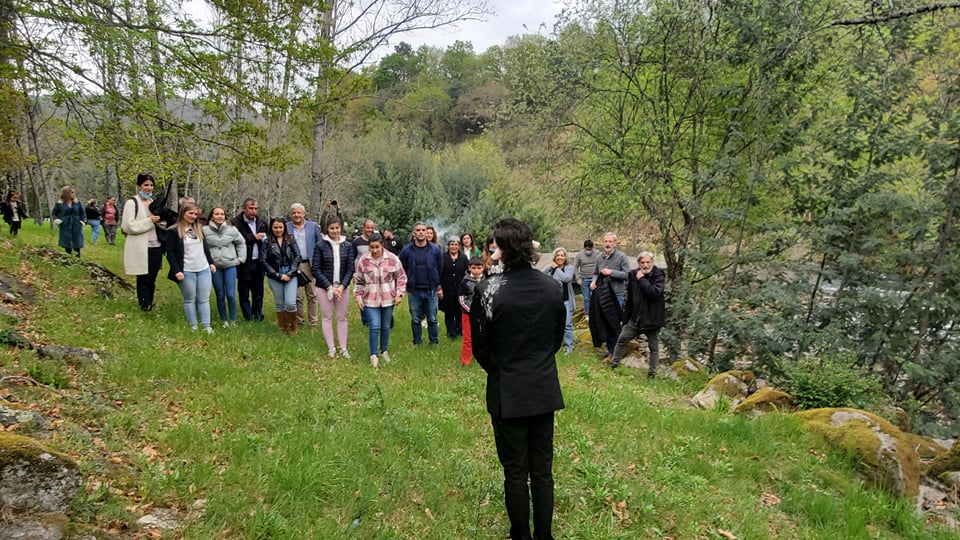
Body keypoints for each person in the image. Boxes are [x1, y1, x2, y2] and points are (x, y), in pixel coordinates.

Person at [470, 218, 565, 540]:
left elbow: (480, 346)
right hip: (542, 388)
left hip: (507, 391)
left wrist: (503, 370)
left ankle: (521, 535)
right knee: (542, 471)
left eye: (494, 245)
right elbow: (554, 341)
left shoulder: (488, 292)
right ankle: (544, 536)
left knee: (515, 472)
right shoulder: (553, 287)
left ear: (503, 249)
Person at [354, 233, 407, 368]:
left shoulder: (392, 259)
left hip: (388, 298)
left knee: (385, 326)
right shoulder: (363, 261)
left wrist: (399, 294)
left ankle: (384, 350)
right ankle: (373, 354)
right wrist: (358, 297)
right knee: (375, 326)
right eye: (372, 248)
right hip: (370, 299)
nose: (375, 250)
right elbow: (359, 281)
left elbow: (401, 277)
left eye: (377, 247)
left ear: (382, 245)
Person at [609, 252, 666, 377]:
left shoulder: (658, 275)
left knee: (654, 348)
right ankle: (614, 363)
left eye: (647, 262)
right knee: (622, 340)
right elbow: (629, 296)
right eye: (642, 263)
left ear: (652, 262)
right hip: (636, 318)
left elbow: (654, 293)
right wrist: (625, 316)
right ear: (639, 263)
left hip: (652, 320)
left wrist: (642, 279)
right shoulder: (633, 274)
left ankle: (652, 373)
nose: (645, 265)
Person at [165, 203, 216, 334]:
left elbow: (205, 248)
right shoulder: (173, 231)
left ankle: (206, 326)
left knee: (204, 298)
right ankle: (193, 325)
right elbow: (170, 253)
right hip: (186, 270)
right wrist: (177, 270)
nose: (193, 216)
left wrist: (211, 263)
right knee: (190, 298)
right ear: (183, 213)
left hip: (203, 268)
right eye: (190, 213)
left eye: (195, 214)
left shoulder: (199, 228)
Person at [312, 216, 356, 358]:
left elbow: (350, 268)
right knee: (327, 316)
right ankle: (331, 348)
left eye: (337, 228)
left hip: (342, 286)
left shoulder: (347, 246)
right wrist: (329, 287)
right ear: (327, 229)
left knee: (341, 317)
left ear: (340, 228)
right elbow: (316, 269)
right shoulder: (320, 245)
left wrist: (342, 286)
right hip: (324, 287)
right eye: (332, 228)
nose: (335, 231)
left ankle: (343, 347)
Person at [122, 173, 164, 311]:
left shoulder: (152, 202)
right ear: (139, 186)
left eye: (151, 185)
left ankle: (149, 302)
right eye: (146, 185)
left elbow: (160, 224)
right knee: (143, 276)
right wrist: (149, 221)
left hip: (155, 244)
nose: (149, 188)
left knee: (152, 276)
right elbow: (129, 226)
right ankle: (144, 305)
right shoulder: (132, 203)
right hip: (141, 245)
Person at [399, 222, 444, 346]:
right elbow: (401, 267)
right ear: (414, 233)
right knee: (415, 319)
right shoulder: (406, 250)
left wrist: (437, 284)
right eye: (418, 230)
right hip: (414, 291)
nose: (421, 232)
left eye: (423, 230)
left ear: (426, 232)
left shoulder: (435, 249)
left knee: (432, 319)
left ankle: (434, 342)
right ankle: (417, 342)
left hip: (431, 290)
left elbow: (440, 268)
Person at [590, 232, 631, 359]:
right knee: (604, 324)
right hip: (602, 296)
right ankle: (610, 351)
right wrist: (593, 281)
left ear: (615, 243)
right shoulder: (599, 258)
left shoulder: (621, 257)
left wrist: (611, 272)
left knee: (615, 325)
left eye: (610, 242)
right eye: (605, 241)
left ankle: (616, 353)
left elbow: (627, 274)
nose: (607, 244)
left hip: (616, 296)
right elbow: (596, 273)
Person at [203, 207, 246, 327]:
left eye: (222, 214)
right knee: (220, 294)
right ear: (212, 216)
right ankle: (224, 320)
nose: (219, 216)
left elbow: (241, 243)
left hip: (230, 265)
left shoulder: (232, 230)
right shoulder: (204, 230)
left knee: (231, 294)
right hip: (215, 267)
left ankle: (233, 320)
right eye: (217, 214)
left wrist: (240, 259)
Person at [263, 217, 302, 335]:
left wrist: (290, 273)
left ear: (284, 227)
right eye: (275, 227)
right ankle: (283, 329)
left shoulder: (290, 239)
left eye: (280, 227)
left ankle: (293, 328)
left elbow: (297, 256)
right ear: (271, 228)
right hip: (274, 275)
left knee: (290, 303)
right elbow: (263, 261)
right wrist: (277, 275)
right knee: (280, 303)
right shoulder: (266, 241)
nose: (278, 230)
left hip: (290, 274)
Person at [231, 198, 267, 322]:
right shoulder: (236, 222)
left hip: (258, 261)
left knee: (258, 292)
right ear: (244, 208)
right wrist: (253, 237)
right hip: (244, 262)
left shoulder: (262, 222)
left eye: (256, 208)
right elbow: (235, 240)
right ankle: (248, 317)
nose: (253, 211)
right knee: (244, 291)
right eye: (250, 208)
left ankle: (257, 315)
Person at [286, 203, 322, 329]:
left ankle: (313, 323)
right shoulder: (287, 227)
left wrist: (318, 263)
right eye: (294, 213)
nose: (296, 215)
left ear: (304, 213)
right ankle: (299, 322)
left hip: (309, 264)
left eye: (299, 212)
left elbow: (319, 244)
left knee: (312, 294)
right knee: (297, 296)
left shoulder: (313, 226)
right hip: (294, 265)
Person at [543, 247, 575, 354]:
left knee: (567, 325)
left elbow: (567, 278)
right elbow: (540, 275)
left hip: (566, 301)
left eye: (562, 255)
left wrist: (556, 269)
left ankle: (569, 347)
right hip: (552, 301)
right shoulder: (550, 267)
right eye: (558, 255)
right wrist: (550, 267)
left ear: (565, 257)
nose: (560, 257)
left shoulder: (569, 268)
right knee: (552, 324)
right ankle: (554, 345)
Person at [440, 236, 468, 339]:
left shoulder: (463, 258)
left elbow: (467, 272)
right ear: (448, 246)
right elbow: (439, 273)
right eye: (452, 244)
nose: (454, 246)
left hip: (460, 289)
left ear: (459, 246)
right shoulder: (443, 257)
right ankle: (451, 333)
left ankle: (460, 331)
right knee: (449, 312)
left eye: (456, 244)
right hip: (447, 289)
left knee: (460, 311)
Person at [458, 256, 484, 366]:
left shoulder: (487, 280)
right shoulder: (464, 282)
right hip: (468, 315)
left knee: (483, 337)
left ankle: (483, 359)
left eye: (479, 268)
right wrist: (473, 311)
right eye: (474, 268)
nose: (476, 270)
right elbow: (462, 300)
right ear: (469, 268)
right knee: (468, 338)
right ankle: (466, 361)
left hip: (483, 315)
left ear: (483, 268)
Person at [52, 186, 85, 258]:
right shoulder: (59, 204)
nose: (74, 194)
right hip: (65, 224)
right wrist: (57, 220)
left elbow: (82, 212)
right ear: (67, 193)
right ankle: (68, 256)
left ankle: (77, 257)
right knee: (66, 240)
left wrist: (82, 221)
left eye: (74, 192)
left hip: (76, 223)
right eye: (72, 192)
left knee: (77, 239)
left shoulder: (77, 203)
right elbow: (54, 213)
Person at [573, 239, 597, 318]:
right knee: (586, 298)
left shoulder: (597, 253)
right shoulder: (579, 255)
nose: (588, 251)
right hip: (584, 278)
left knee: (595, 297)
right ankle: (587, 313)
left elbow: (601, 264)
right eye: (587, 249)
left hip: (594, 278)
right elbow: (575, 267)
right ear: (584, 248)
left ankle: (595, 312)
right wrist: (578, 278)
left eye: (590, 249)